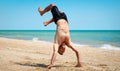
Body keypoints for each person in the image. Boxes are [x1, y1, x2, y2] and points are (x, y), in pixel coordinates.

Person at [38, 4, 81, 69]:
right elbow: (77, 51)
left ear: (59, 49)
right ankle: (47, 22)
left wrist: (51, 64)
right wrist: (79, 62)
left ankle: (42, 12)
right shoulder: (69, 43)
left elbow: (55, 52)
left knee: (52, 5)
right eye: (63, 52)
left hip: (58, 20)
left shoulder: (57, 43)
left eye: (61, 52)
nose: (63, 51)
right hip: (65, 20)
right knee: (61, 12)